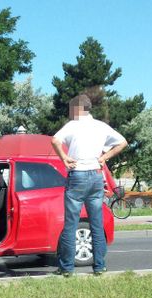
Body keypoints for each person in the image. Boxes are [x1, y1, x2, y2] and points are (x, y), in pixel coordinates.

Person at [51, 94, 128, 276]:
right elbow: (123, 142)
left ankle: (67, 268)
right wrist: (104, 158)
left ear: (77, 109)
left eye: (71, 110)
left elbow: (54, 140)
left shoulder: (72, 125)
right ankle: (99, 266)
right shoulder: (101, 126)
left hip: (77, 175)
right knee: (96, 223)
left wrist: (64, 158)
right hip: (95, 176)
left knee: (71, 224)